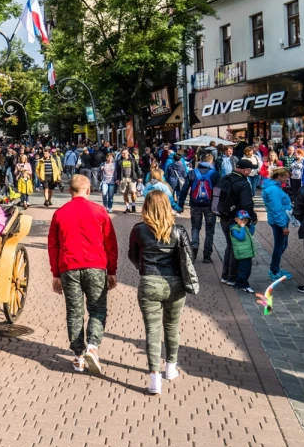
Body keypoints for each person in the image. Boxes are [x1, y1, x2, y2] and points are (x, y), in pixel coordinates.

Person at [127, 192, 198, 395]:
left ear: (146, 207)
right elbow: (188, 258)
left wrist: (145, 268)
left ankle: (154, 377)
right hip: (175, 282)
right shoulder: (178, 231)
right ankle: (171, 368)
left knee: (152, 329)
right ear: (167, 207)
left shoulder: (138, 230)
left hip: (149, 281)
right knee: (172, 326)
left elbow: (133, 255)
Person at [49, 174, 119, 375]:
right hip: (96, 266)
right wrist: (112, 271)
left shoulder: (60, 213)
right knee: (97, 309)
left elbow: (53, 246)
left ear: (70, 191)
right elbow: (110, 243)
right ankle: (93, 346)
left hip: (69, 267)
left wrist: (55, 274)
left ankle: (79, 356)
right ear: (88, 190)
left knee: (74, 311)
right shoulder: (99, 211)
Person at [218, 159, 257, 287]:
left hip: (224, 216)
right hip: (237, 218)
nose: (250, 172)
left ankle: (226, 275)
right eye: (250, 170)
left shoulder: (224, 178)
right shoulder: (243, 183)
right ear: (245, 170)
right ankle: (232, 277)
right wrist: (253, 216)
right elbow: (247, 204)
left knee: (230, 246)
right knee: (236, 247)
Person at [187, 153, 219, 262]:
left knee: (195, 227)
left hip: (195, 204)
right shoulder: (215, 174)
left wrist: (180, 204)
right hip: (210, 206)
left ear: (200, 160)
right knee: (209, 231)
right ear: (211, 161)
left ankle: (194, 246)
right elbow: (219, 191)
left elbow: (184, 189)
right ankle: (207, 255)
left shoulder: (192, 173)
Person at [262, 166, 293, 281]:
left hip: (280, 219)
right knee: (280, 245)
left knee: (282, 245)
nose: (287, 180)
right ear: (279, 176)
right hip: (279, 221)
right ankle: (274, 270)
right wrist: (283, 225)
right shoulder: (274, 190)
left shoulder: (274, 188)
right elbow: (276, 208)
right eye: (286, 178)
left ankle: (275, 268)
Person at [228, 210, 256, 292]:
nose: (244, 222)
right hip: (242, 253)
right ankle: (244, 285)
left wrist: (252, 225)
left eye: (246, 220)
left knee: (247, 270)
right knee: (243, 270)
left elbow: (251, 233)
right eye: (242, 220)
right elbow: (241, 237)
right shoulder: (234, 229)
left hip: (248, 252)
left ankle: (239, 283)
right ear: (236, 219)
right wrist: (243, 227)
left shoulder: (246, 227)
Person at [116, 148, 139, 213]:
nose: (124, 154)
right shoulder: (119, 161)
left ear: (128, 153)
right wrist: (118, 179)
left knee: (133, 192)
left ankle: (133, 205)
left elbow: (137, 169)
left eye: (125, 153)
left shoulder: (133, 160)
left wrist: (139, 177)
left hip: (132, 178)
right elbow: (117, 171)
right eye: (123, 153)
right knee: (124, 193)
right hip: (123, 178)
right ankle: (127, 207)